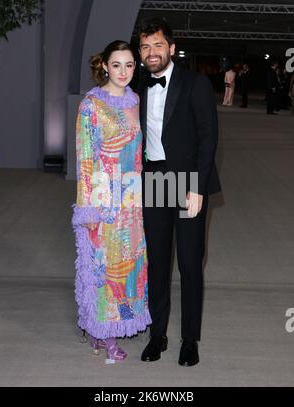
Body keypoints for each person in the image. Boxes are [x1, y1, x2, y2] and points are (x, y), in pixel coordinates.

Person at [137, 19, 221, 366]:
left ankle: (190, 339)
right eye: (145, 47)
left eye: (157, 45)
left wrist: (198, 187)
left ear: (171, 48)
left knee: (188, 262)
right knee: (157, 262)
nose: (151, 53)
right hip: (155, 180)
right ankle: (157, 335)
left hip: (187, 183)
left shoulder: (195, 83)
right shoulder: (139, 85)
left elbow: (208, 138)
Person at [72, 40, 151, 362]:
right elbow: (85, 160)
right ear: (104, 65)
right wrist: (88, 208)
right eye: (116, 65)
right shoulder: (92, 105)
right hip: (104, 200)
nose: (123, 72)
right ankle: (106, 332)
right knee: (107, 267)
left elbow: (137, 156)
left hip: (132, 199)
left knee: (131, 266)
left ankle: (109, 326)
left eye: (129, 65)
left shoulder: (134, 101)